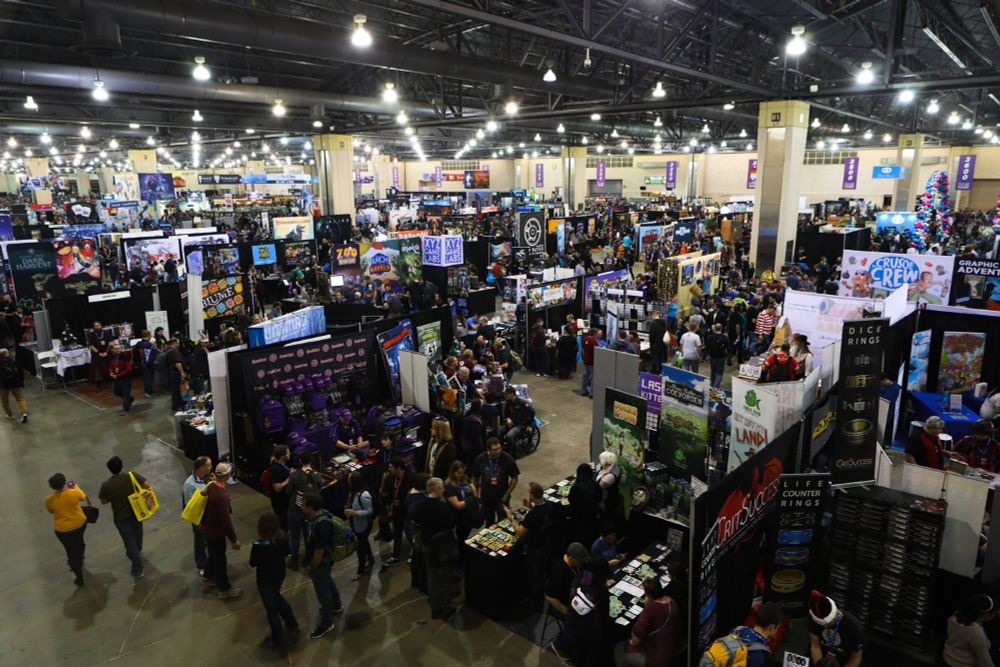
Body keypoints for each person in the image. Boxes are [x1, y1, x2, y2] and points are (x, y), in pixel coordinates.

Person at [250, 512, 299, 649]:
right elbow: (286, 552)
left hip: (265, 580)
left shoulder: (259, 545)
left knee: (271, 610)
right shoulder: (282, 537)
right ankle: (292, 623)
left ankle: (277, 639)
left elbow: (252, 563)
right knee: (277, 598)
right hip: (279, 574)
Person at [413, 477, 458, 619]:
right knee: (446, 577)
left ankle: (435, 608)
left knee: (432, 577)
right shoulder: (442, 506)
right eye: (442, 488)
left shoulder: (420, 505)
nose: (444, 490)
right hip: (443, 547)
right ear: (436, 489)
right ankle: (446, 608)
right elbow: (451, 524)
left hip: (427, 546)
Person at [98, 456, 151, 578]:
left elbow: (103, 501)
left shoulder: (106, 485)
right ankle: (136, 555)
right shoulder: (131, 476)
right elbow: (147, 485)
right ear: (122, 465)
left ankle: (137, 568)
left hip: (120, 518)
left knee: (129, 542)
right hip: (137, 512)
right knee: (137, 538)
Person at [613, 577, 684, 667]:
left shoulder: (651, 609)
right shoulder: (671, 600)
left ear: (648, 595)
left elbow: (635, 641)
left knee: (618, 649)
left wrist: (648, 606)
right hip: (676, 645)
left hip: (659, 658)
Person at [301, 494, 344, 639]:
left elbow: (318, 551)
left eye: (304, 505)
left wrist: (312, 567)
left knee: (323, 594)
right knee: (328, 582)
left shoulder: (320, 525)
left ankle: (326, 623)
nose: (302, 507)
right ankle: (336, 605)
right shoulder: (320, 516)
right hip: (324, 563)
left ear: (311, 507)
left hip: (321, 563)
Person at [505, 482, 552, 608]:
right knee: (542, 572)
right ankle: (541, 594)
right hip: (546, 544)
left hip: (535, 548)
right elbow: (540, 515)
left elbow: (519, 532)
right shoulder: (548, 505)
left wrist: (510, 517)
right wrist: (530, 506)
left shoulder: (532, 515)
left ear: (531, 495)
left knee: (533, 576)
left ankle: (537, 603)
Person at [200, 462, 242, 599]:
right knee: (220, 560)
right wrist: (234, 539)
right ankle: (224, 589)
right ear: (228, 475)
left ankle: (208, 575)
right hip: (216, 532)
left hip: (207, 528)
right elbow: (226, 521)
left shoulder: (212, 485)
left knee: (213, 554)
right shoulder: (221, 495)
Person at [546, 542, 590, 661]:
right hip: (563, 605)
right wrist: (568, 612)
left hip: (576, 599)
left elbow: (585, 575)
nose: (582, 562)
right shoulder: (558, 571)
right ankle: (560, 645)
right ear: (571, 558)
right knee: (578, 622)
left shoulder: (576, 564)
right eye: (580, 560)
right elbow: (550, 597)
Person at [45, 473, 88, 586]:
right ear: (64, 482)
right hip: (79, 524)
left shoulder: (49, 500)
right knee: (79, 541)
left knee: (70, 551)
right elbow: (83, 497)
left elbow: (51, 511)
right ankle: (81, 555)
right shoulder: (73, 492)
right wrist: (76, 487)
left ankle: (79, 577)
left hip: (63, 530)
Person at [809, 589, 864, 667]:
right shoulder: (814, 618)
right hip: (822, 658)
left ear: (834, 615)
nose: (824, 627)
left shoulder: (853, 627)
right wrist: (819, 664)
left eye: (827, 623)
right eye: (821, 624)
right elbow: (815, 645)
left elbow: (856, 656)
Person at [472, 437, 520, 526]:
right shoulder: (480, 459)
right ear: (488, 450)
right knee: (489, 523)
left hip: (502, 499)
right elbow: (475, 478)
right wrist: (476, 495)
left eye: (499, 448)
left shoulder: (507, 458)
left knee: (504, 523)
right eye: (495, 450)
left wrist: (506, 494)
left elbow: (515, 478)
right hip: (486, 498)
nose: (498, 451)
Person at [285, 457, 322, 569]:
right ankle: (308, 559)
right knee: (308, 536)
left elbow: (288, 492)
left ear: (300, 461)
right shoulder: (317, 475)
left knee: (294, 536)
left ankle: (294, 561)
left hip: (295, 510)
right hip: (310, 511)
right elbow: (319, 490)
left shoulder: (294, 475)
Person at [943, 593, 996, 667]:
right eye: (995, 614)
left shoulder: (955, 616)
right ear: (987, 615)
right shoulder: (975, 632)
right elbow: (985, 661)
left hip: (946, 658)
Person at [181, 455, 212, 575]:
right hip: (199, 519)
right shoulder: (189, 485)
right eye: (208, 465)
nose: (210, 468)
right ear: (201, 467)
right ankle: (201, 565)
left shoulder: (206, 478)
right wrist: (197, 523)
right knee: (200, 542)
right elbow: (190, 506)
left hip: (208, 516)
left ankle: (210, 562)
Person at [382, 456, 413, 566]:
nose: (389, 469)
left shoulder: (410, 477)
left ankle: (415, 551)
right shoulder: (391, 478)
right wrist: (390, 502)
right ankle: (395, 556)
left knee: (410, 531)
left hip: (408, 509)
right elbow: (388, 492)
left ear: (398, 468)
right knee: (397, 532)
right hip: (397, 509)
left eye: (391, 467)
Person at [344, 471, 375, 581]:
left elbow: (370, 511)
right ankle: (370, 557)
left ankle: (360, 570)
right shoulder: (353, 492)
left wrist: (355, 513)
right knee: (363, 541)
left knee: (360, 547)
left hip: (363, 525)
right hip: (356, 524)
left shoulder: (364, 495)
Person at [569, 463, 602, 546]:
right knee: (590, 534)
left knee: (579, 535)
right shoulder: (595, 484)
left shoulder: (575, 487)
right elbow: (599, 499)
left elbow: (571, 500)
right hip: (592, 514)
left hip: (578, 516)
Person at [444, 460, 478, 540]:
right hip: (458, 516)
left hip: (469, 512)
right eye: (458, 473)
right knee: (461, 536)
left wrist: (473, 492)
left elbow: (473, 490)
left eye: (462, 472)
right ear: (453, 472)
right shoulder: (448, 485)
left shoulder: (465, 478)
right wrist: (472, 500)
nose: (461, 475)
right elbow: (458, 505)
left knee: (467, 531)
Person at [500, 386, 535, 452]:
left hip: (520, 425)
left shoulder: (522, 402)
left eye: (507, 394)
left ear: (512, 394)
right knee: (499, 431)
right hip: (510, 423)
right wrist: (508, 419)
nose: (506, 395)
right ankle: (504, 446)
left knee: (509, 436)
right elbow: (506, 414)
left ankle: (511, 451)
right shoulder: (508, 402)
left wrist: (529, 424)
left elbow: (532, 412)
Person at [597, 450, 624, 531]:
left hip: (607, 502)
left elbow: (598, 488)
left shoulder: (610, 476)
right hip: (607, 499)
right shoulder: (613, 468)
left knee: (606, 519)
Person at [0, 347, 28, 423]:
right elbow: (21, 373)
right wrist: (21, 382)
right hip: (15, 383)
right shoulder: (14, 361)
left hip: (3, 385)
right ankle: (24, 413)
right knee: (20, 399)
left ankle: (10, 415)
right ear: (7, 353)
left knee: (5, 401)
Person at [267, 446, 292, 530]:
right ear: (282, 456)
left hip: (285, 499)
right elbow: (277, 488)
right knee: (283, 523)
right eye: (288, 453)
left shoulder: (280, 463)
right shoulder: (276, 469)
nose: (290, 454)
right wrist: (289, 478)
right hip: (280, 502)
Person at [108, 342, 135, 415]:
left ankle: (126, 409)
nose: (117, 350)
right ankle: (130, 399)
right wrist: (111, 373)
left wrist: (118, 375)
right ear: (113, 350)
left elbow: (129, 369)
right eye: (115, 349)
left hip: (126, 378)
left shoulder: (126, 356)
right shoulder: (112, 357)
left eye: (119, 348)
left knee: (125, 393)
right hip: (116, 378)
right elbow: (110, 367)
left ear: (121, 349)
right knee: (116, 392)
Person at [86, 320, 111, 391]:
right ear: (94, 327)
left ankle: (114, 384)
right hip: (96, 355)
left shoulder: (106, 332)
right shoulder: (91, 334)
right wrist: (99, 353)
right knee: (98, 371)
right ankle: (98, 386)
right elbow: (91, 346)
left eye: (98, 325)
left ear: (101, 325)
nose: (97, 327)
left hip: (107, 353)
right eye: (95, 326)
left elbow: (110, 343)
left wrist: (106, 352)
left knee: (110, 368)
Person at [705, 323, 731, 388]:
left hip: (712, 356)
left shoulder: (710, 337)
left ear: (714, 328)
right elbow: (729, 348)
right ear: (721, 328)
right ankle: (715, 388)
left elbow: (707, 347)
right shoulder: (724, 337)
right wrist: (729, 356)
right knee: (719, 373)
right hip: (721, 357)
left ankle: (712, 384)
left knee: (713, 371)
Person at [164, 338, 187, 410]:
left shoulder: (167, 350)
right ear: (174, 343)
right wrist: (182, 372)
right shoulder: (174, 351)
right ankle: (176, 406)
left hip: (171, 372)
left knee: (177, 388)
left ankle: (180, 402)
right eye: (178, 343)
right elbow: (177, 363)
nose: (179, 344)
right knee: (176, 389)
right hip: (175, 372)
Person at [135, 330, 158, 397]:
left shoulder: (138, 343)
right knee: (149, 377)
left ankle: (148, 391)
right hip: (148, 362)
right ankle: (149, 392)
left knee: (146, 377)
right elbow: (149, 355)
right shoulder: (148, 344)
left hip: (142, 361)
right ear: (148, 336)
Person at [581, 329, 600, 398]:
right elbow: (597, 352)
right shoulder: (594, 341)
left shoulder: (585, 339)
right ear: (594, 333)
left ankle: (584, 391)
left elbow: (582, 349)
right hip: (592, 362)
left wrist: (584, 357)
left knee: (585, 376)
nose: (598, 335)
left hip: (586, 361)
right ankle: (591, 393)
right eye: (597, 333)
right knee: (592, 377)